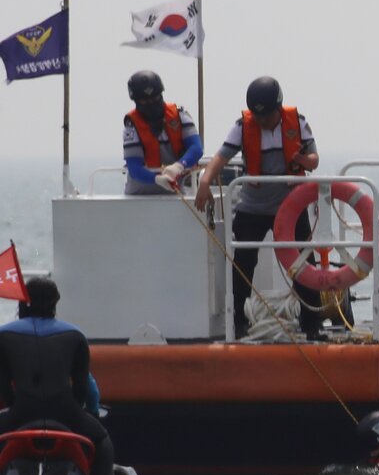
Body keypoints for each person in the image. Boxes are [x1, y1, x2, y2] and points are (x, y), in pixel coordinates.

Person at [193, 76, 322, 339]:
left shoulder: (298, 122)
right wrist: (205, 180)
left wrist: (301, 159)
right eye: (258, 116)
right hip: (253, 205)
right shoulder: (243, 127)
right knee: (243, 262)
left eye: (268, 116)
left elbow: (314, 160)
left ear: (278, 108)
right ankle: (238, 322)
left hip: (291, 205)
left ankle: (312, 324)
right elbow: (221, 157)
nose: (263, 121)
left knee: (303, 262)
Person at [0, 277, 115, 475]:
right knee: (102, 439)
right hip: (66, 413)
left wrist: (14, 408)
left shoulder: (2, 335)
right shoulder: (75, 335)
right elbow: (82, 390)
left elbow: (4, 390)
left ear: (23, 302)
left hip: (21, 413)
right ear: (55, 303)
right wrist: (82, 413)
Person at [122, 70, 203, 196]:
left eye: (155, 98)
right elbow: (134, 167)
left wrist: (179, 166)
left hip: (174, 193)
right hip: (138, 196)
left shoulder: (179, 115)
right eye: (145, 102)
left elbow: (196, 148)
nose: (151, 104)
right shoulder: (131, 125)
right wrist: (157, 179)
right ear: (136, 101)